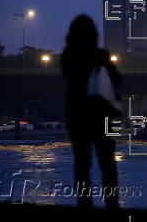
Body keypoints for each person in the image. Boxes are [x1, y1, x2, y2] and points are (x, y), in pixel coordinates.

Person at [61, 15, 122, 208]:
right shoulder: (100, 55)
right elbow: (117, 81)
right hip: (100, 116)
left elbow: (70, 79)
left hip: (77, 116)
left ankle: (84, 204)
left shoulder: (67, 55)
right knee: (108, 164)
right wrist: (105, 63)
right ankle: (112, 204)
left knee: (82, 164)